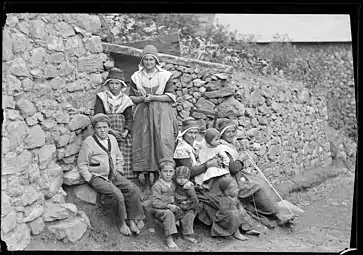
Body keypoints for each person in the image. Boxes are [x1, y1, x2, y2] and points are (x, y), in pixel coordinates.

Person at [216, 118, 296, 227]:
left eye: (232, 131)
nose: (230, 134)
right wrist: (241, 160)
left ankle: (274, 210)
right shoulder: (222, 148)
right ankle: (278, 216)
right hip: (231, 180)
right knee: (257, 187)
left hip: (238, 176)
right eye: (227, 132)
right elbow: (233, 168)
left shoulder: (228, 145)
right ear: (222, 134)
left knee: (261, 181)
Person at [77, 113, 145, 236]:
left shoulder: (112, 139)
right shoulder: (89, 142)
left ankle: (132, 219)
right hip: (98, 177)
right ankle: (121, 222)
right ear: (94, 129)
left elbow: (119, 156)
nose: (102, 130)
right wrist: (89, 178)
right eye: (99, 128)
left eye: (105, 127)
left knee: (132, 188)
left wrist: (119, 169)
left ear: (109, 127)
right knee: (117, 194)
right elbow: (82, 164)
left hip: (113, 174)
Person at [129, 44, 178, 199]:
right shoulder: (136, 76)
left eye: (151, 59)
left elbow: (171, 96)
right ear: (142, 61)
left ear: (156, 60)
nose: (148, 62)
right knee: (144, 143)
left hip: (161, 113)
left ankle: (160, 179)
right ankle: (146, 182)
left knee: (161, 143)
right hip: (143, 114)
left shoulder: (164, 75)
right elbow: (131, 97)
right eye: (146, 60)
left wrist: (154, 97)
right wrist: (142, 98)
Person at [94, 67, 137, 180]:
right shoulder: (102, 97)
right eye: (111, 83)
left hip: (121, 131)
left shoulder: (126, 99)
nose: (114, 86)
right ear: (108, 84)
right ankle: (108, 175)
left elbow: (129, 117)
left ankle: (124, 177)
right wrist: (110, 131)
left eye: (117, 83)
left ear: (121, 85)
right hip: (105, 129)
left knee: (123, 152)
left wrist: (125, 132)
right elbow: (98, 115)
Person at [150, 158, 191, 249]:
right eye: (165, 171)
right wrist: (168, 205)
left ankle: (185, 232)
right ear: (159, 172)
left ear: (174, 172)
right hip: (160, 208)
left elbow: (183, 183)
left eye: (171, 171)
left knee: (186, 209)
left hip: (172, 206)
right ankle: (169, 238)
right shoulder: (157, 185)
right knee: (168, 214)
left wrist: (188, 183)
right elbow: (155, 202)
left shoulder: (174, 183)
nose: (168, 174)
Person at [211, 176, 260, 241]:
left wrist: (241, 209)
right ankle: (236, 232)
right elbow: (224, 211)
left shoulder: (234, 197)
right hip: (225, 218)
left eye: (237, 188)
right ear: (226, 192)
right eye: (234, 189)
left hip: (235, 214)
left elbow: (239, 204)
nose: (237, 190)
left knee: (244, 213)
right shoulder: (224, 199)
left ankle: (248, 229)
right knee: (235, 216)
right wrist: (235, 211)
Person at [174, 166, 199, 243]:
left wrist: (186, 203)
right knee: (175, 211)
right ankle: (176, 226)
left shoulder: (189, 188)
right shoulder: (175, 184)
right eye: (179, 177)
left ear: (188, 178)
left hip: (188, 206)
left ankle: (187, 235)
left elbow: (194, 200)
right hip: (178, 204)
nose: (181, 180)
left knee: (189, 216)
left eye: (184, 178)